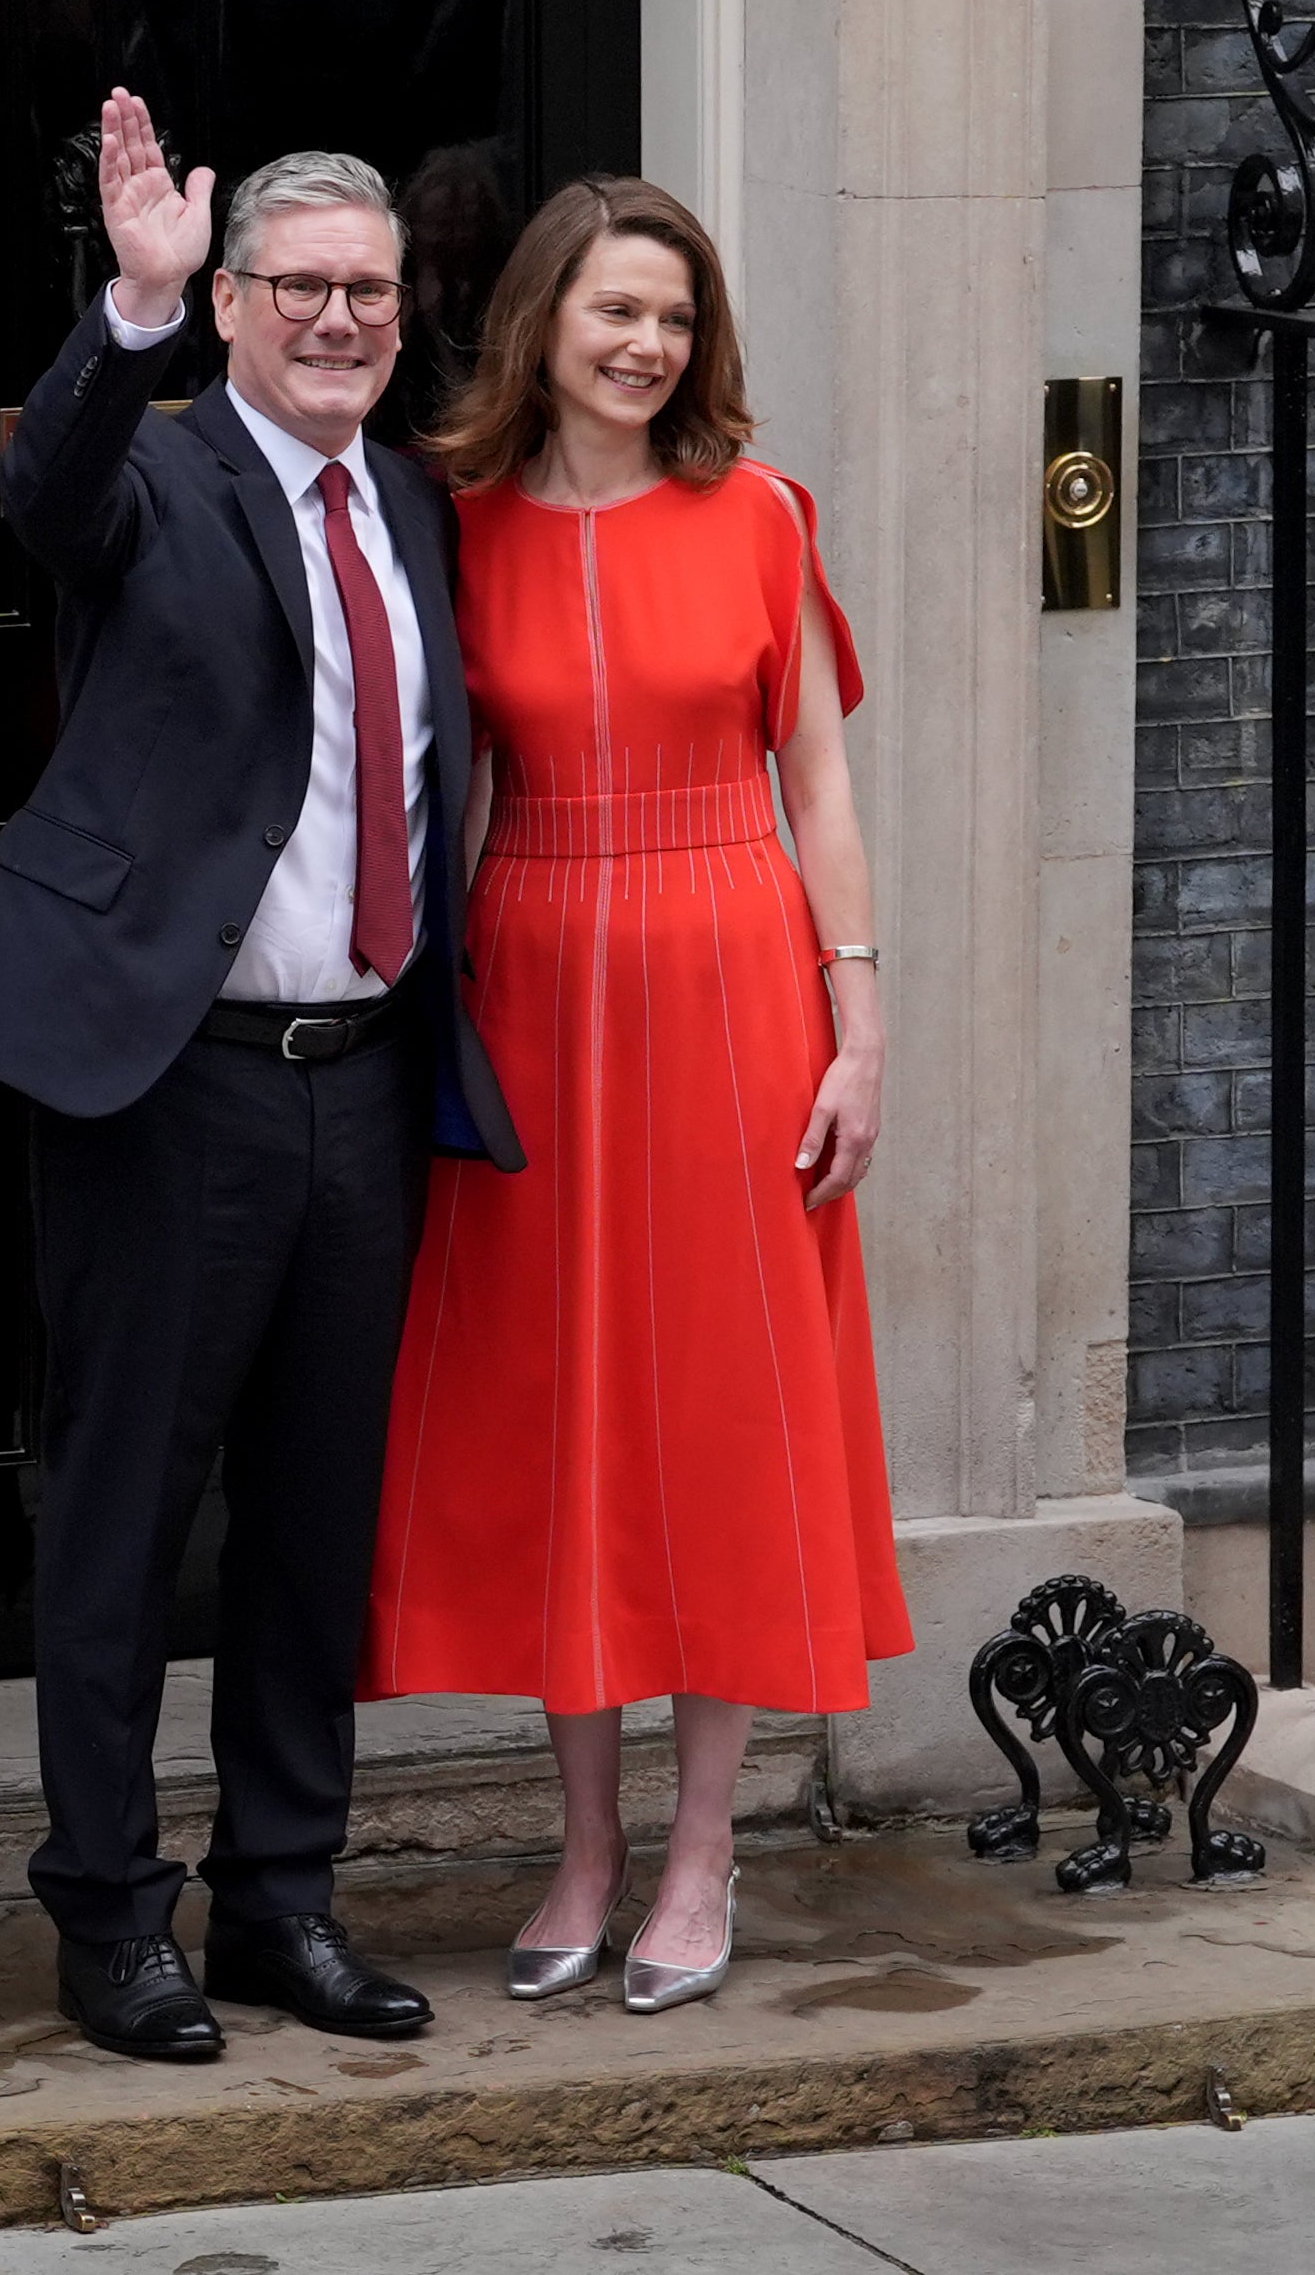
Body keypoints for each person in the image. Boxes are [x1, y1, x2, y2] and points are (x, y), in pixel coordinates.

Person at [0, 92, 523, 2064]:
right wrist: (132, 302)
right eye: (299, 289)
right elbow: (43, 496)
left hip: (363, 1075)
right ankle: (108, 1913)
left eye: (370, 290)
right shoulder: (153, 469)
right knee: (120, 1511)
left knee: (310, 1521)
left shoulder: (414, 501)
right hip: (172, 1080)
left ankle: (279, 1897)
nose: (339, 319)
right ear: (238, 304)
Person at [360, 172, 914, 2013]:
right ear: (541, 322)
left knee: (719, 1410)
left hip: (732, 974)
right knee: (565, 1412)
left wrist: (860, 1020)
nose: (645, 344)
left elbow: (817, 785)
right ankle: (582, 1845)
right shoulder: (453, 523)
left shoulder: (761, 514)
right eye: (615, 310)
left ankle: (701, 1851)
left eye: (673, 316)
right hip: (532, 974)